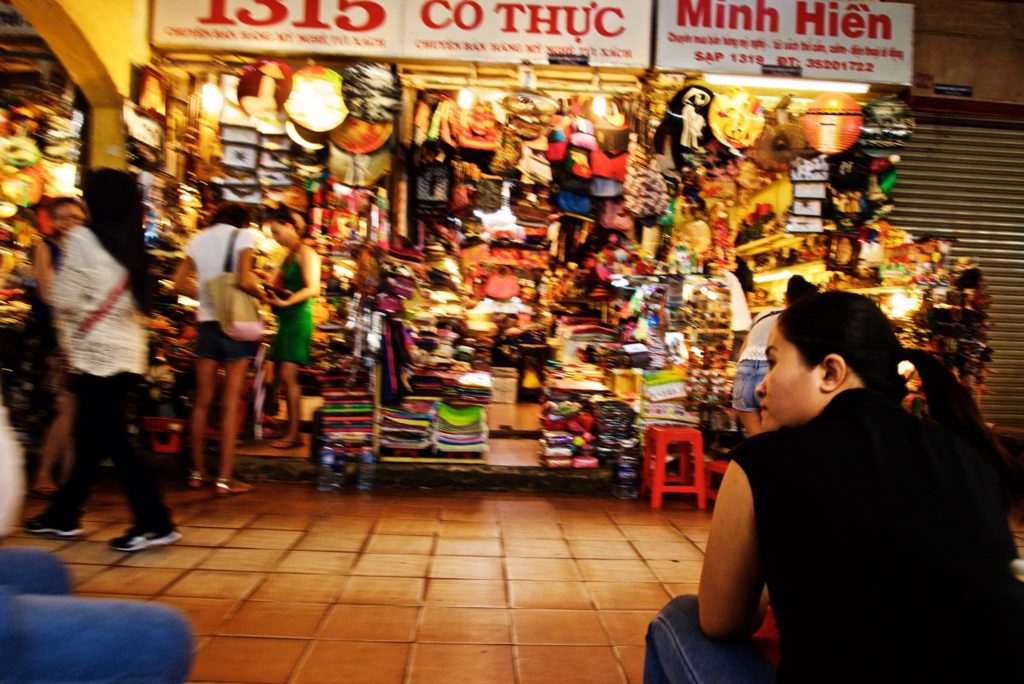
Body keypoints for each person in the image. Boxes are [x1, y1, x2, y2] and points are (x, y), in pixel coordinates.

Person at [645, 292, 1024, 683]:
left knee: (679, 618)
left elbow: (724, 621)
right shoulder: (967, 453)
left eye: (773, 363)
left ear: (830, 372)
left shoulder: (763, 461)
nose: (761, 387)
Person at [25, 169, 181, 552]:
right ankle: (63, 514)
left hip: (96, 355)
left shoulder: (82, 239)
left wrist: (45, 276)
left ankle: (155, 521)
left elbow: (63, 297)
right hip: (126, 354)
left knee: (114, 442)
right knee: (91, 439)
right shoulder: (130, 244)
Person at [2, 376, 193, 681]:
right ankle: (82, 514)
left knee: (104, 436)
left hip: (102, 360)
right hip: (99, 359)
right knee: (161, 635)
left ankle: (149, 520)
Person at [174, 202, 262, 495]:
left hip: (207, 323)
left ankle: (197, 472)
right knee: (231, 403)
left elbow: (177, 283)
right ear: (243, 221)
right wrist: (264, 295)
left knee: (202, 401)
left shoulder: (198, 238)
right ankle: (224, 480)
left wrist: (208, 295)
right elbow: (245, 279)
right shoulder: (244, 237)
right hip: (235, 323)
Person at [28, 197, 85, 497]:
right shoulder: (44, 247)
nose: (67, 222)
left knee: (74, 411)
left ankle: (66, 479)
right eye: (60, 217)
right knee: (67, 408)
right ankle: (45, 473)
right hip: (56, 336)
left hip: (79, 335)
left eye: (74, 216)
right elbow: (48, 293)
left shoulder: (87, 251)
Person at [262, 206, 321, 448]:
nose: (275, 238)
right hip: (287, 318)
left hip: (297, 319)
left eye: (276, 232)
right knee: (285, 379)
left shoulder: (307, 253)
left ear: (288, 226)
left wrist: (286, 300)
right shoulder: (288, 255)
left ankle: (294, 434)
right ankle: (290, 429)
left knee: (290, 377)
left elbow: (312, 288)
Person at [731, 275, 818, 437]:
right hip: (770, 376)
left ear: (786, 298)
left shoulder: (765, 313)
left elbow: (744, 347)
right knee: (774, 444)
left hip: (744, 374)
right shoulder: (800, 320)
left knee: (756, 444)